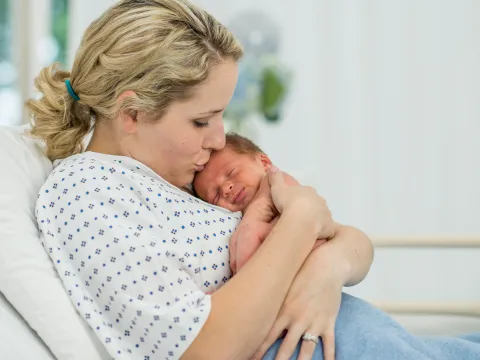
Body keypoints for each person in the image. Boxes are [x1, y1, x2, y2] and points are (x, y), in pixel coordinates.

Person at [29, 1, 480, 360]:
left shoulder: (180, 181)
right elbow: (206, 350)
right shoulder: (88, 192)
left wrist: (329, 267)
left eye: (222, 115)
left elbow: (350, 241)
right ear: (132, 113)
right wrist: (300, 218)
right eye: (202, 120)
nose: (221, 138)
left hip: (363, 332)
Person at [193, 132, 330, 274]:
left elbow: (300, 214)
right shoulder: (235, 224)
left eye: (232, 173)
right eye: (215, 195)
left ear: (264, 163)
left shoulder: (278, 182)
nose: (226, 189)